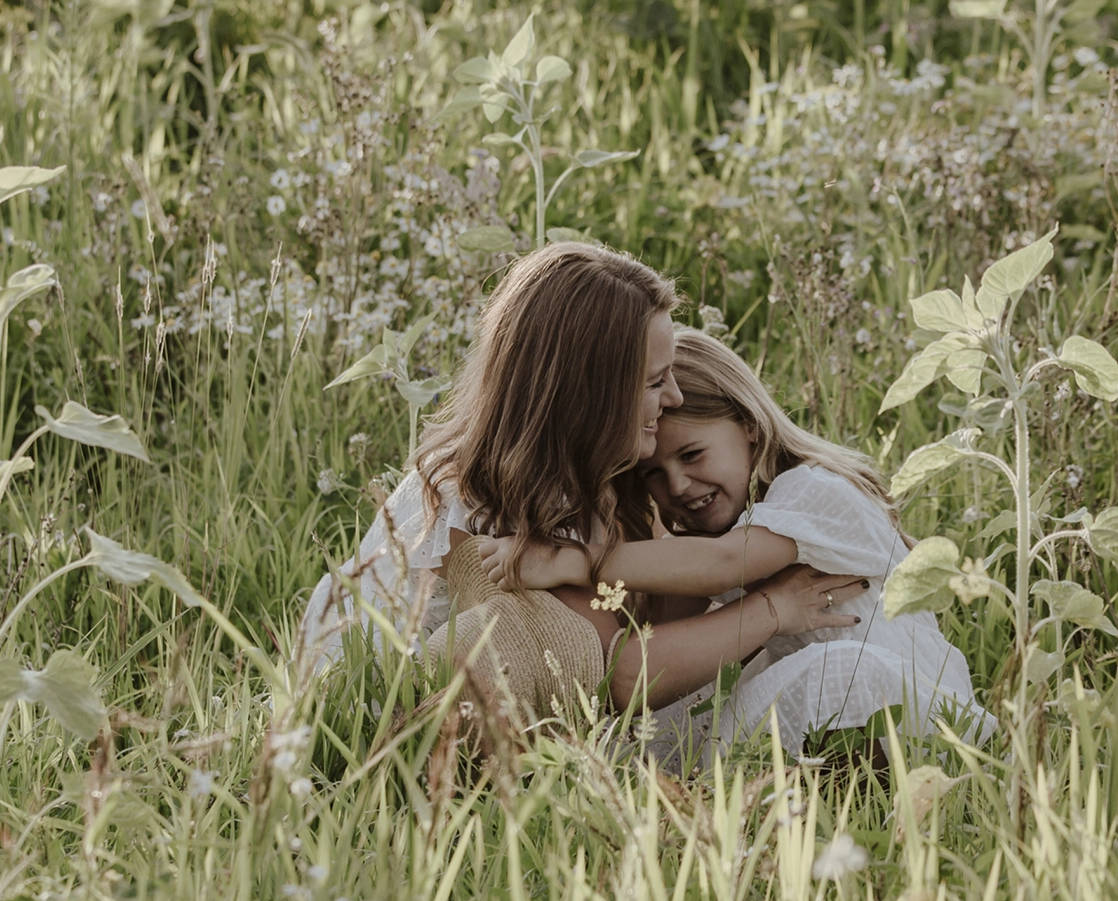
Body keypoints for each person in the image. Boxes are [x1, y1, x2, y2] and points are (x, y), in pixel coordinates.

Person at [297, 245, 865, 729]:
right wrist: (774, 606)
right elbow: (614, 671)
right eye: (653, 381)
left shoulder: (592, 480)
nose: (673, 398)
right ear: (590, 396)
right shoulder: (478, 502)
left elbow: (660, 626)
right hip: (381, 724)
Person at [478, 328, 994, 759]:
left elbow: (726, 564)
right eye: (655, 475)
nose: (677, 485)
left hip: (915, 715)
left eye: (693, 455)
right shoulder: (718, 532)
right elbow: (676, 634)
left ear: (749, 425)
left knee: (835, 671)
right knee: (663, 731)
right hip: (851, 726)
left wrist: (577, 560)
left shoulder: (815, 490)